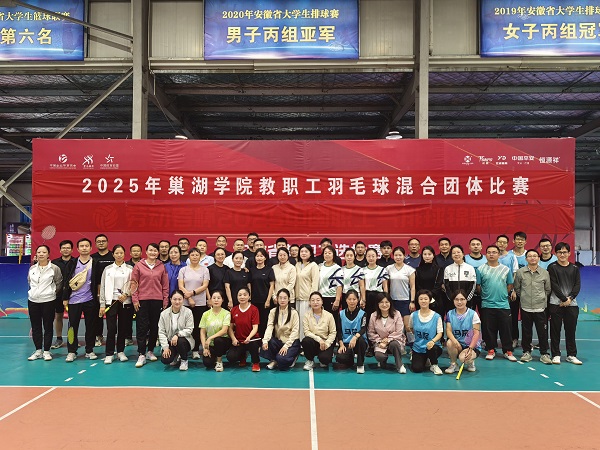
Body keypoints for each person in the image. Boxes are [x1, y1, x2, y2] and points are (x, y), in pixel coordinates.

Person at [131, 243, 169, 368]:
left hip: (157, 300)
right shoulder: (138, 266)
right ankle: (141, 353)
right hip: (142, 300)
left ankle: (150, 351)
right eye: (151, 250)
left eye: (155, 251)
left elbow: (165, 285)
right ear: (146, 252)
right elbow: (133, 283)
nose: (153, 252)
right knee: (142, 327)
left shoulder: (161, 266)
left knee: (154, 327)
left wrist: (165, 300)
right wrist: (135, 299)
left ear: (158, 253)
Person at [63, 238, 100, 362]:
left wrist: (99, 299)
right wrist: (65, 298)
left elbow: (98, 282)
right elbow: (66, 281)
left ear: (91, 248)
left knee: (91, 327)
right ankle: (71, 351)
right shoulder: (72, 263)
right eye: (82, 246)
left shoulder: (95, 263)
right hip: (74, 300)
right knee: (72, 327)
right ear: (78, 249)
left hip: (90, 300)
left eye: (86, 246)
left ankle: (89, 350)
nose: (84, 248)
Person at [477, 245, 516, 362]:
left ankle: (507, 351)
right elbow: (478, 286)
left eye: (494, 252)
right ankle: (491, 350)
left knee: (506, 329)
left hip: (503, 305)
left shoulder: (506, 269)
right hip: (487, 305)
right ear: (486, 255)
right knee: (489, 329)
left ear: (499, 254)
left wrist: (503, 295)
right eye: (489, 252)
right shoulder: (480, 269)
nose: (491, 254)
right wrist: (486, 295)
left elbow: (510, 284)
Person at [513, 249, 552, 364]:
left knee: (542, 332)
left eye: (535, 256)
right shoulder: (520, 272)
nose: (532, 258)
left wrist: (541, 298)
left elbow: (548, 289)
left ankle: (544, 353)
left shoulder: (545, 273)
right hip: (525, 307)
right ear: (526, 259)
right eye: (530, 256)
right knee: (526, 331)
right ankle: (526, 352)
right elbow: (517, 288)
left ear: (538, 258)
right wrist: (524, 297)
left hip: (540, 307)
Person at [548, 243, 582, 365]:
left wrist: (570, 299)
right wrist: (563, 299)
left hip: (572, 305)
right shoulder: (552, 267)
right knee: (555, 331)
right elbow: (553, 284)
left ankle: (571, 355)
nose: (562, 254)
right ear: (555, 253)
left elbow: (577, 285)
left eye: (564, 252)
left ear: (569, 253)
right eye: (559, 252)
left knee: (570, 331)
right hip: (555, 304)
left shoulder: (575, 268)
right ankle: (556, 354)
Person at [27, 245, 63, 361]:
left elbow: (59, 283)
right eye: (39, 252)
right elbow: (29, 282)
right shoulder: (32, 268)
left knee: (48, 326)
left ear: (48, 254)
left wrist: (50, 293)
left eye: (44, 252)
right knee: (36, 326)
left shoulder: (54, 268)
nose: (41, 254)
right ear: (36, 254)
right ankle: (38, 350)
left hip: (48, 301)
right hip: (33, 301)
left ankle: (46, 351)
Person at [99, 244, 134, 364]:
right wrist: (102, 304)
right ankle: (109, 353)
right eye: (117, 253)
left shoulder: (130, 269)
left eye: (121, 253)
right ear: (113, 254)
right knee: (111, 329)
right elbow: (103, 287)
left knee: (123, 328)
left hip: (125, 301)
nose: (119, 255)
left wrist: (127, 294)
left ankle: (120, 352)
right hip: (111, 302)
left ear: (124, 254)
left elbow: (133, 284)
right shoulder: (107, 269)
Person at [178, 248, 210, 359]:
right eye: (192, 255)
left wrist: (192, 293)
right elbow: (181, 286)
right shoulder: (183, 270)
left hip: (200, 303)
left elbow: (205, 286)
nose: (195, 257)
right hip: (185, 303)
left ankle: (195, 349)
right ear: (189, 257)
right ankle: (184, 350)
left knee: (197, 327)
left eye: (197, 255)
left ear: (200, 257)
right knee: (185, 327)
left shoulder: (205, 270)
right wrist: (189, 298)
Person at [261, 288, 301, 370]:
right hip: (279, 341)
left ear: (289, 299)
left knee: (282, 361)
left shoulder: (294, 313)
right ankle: (274, 359)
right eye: (280, 298)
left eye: (285, 298)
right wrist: (265, 341)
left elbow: (295, 331)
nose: (282, 300)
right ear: (277, 299)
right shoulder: (273, 311)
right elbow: (269, 327)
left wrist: (286, 346)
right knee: (266, 344)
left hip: (291, 342)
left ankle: (292, 356)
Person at [367, 293, 406, 374]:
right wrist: (380, 341)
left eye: (386, 302)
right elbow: (371, 332)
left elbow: (399, 331)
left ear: (390, 303)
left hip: (394, 340)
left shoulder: (397, 314)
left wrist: (388, 340)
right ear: (378, 304)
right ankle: (382, 361)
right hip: (380, 342)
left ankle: (400, 365)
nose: (384, 305)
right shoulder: (373, 315)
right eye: (381, 302)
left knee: (394, 344)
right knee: (379, 356)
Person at [383, 246, 416, 344]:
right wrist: (386, 298)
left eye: (400, 255)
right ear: (393, 256)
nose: (398, 257)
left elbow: (413, 286)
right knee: (394, 326)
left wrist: (412, 301)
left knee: (407, 326)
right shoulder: (388, 269)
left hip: (405, 300)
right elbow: (386, 285)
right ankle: (398, 344)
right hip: (392, 300)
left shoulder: (410, 270)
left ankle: (412, 346)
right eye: (396, 255)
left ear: (404, 256)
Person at [445, 290, 481, 374]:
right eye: (456, 299)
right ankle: (454, 364)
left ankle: (471, 362)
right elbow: (448, 330)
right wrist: (454, 341)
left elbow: (476, 334)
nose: (459, 302)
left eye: (462, 299)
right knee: (450, 343)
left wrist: (470, 348)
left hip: (471, 345)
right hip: (458, 344)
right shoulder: (450, 313)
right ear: (453, 301)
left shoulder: (473, 314)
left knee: (463, 358)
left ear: (466, 300)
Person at [407, 290, 443, 375]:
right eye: (421, 299)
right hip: (418, 348)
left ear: (430, 300)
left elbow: (440, 333)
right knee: (417, 369)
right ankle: (425, 359)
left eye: (426, 299)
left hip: (433, 347)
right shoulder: (413, 315)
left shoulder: (436, 316)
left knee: (432, 348)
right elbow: (411, 328)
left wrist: (432, 341)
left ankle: (434, 364)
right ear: (418, 300)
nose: (423, 301)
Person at [158, 290, 194, 371]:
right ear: (170, 299)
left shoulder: (188, 312)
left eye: (179, 299)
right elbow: (161, 332)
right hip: (170, 341)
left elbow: (189, 329)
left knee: (180, 341)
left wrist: (177, 335)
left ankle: (184, 360)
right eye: (175, 299)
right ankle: (176, 355)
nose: (177, 302)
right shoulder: (164, 314)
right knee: (165, 360)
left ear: (183, 300)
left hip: (184, 341)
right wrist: (165, 347)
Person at [227, 288, 261, 371]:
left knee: (254, 345)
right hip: (239, 340)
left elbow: (255, 327)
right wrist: (233, 339)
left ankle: (256, 363)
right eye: (240, 295)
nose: (242, 297)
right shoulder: (234, 310)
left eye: (245, 295)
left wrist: (249, 337)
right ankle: (242, 356)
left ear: (249, 296)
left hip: (251, 339)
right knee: (231, 357)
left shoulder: (254, 309)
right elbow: (230, 328)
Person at [335, 289, 368, 374]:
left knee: (361, 340)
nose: (352, 301)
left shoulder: (363, 314)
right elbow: (339, 330)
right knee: (340, 358)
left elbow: (363, 328)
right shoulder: (341, 314)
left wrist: (355, 337)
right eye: (349, 299)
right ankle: (350, 359)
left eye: (354, 299)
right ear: (346, 300)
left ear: (358, 300)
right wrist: (341, 344)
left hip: (358, 342)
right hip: (346, 343)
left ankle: (360, 364)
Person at [302, 292, 336, 370]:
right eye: (313, 300)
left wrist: (327, 343)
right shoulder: (306, 315)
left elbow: (333, 332)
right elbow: (306, 332)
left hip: (325, 342)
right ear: (310, 302)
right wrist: (319, 340)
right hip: (313, 341)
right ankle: (310, 360)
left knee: (325, 361)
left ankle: (324, 357)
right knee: (306, 341)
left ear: (322, 301)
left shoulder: (329, 315)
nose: (315, 302)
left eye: (318, 300)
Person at [91, 234, 114, 348]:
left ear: (107, 242)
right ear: (95, 244)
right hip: (96, 291)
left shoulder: (113, 256)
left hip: (112, 291)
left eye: (103, 241)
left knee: (112, 316)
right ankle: (98, 336)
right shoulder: (92, 258)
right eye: (98, 241)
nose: (101, 243)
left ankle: (113, 336)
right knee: (97, 315)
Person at [200, 291, 231, 372]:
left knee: (218, 340)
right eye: (214, 298)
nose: (216, 300)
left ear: (222, 300)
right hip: (210, 344)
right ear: (211, 300)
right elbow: (202, 332)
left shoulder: (226, 313)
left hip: (223, 342)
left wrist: (210, 338)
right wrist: (204, 348)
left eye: (218, 298)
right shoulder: (205, 314)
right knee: (207, 363)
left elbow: (224, 330)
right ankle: (213, 356)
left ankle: (219, 361)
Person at [50, 239, 73, 350]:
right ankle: (59, 338)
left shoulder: (76, 262)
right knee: (58, 315)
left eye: (68, 248)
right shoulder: (54, 263)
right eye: (63, 248)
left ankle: (72, 339)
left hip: (73, 294)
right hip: (58, 294)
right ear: (60, 250)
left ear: (72, 250)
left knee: (73, 317)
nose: (66, 250)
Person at [248, 248, 275, 337]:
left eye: (261, 256)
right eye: (257, 256)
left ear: (265, 258)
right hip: (254, 300)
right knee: (255, 322)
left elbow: (272, 285)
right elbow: (249, 284)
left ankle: (265, 340)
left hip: (265, 301)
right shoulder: (251, 270)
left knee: (265, 322)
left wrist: (268, 300)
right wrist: (249, 298)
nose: (259, 258)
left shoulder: (269, 270)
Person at [295, 244, 320, 339]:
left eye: (306, 251)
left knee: (306, 322)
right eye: (301, 251)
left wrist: (312, 299)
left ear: (310, 253)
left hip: (307, 299)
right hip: (297, 298)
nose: (303, 253)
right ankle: (298, 342)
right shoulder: (297, 265)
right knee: (298, 322)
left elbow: (315, 283)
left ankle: (306, 343)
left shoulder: (313, 265)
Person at [443, 245, 476, 312]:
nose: (456, 254)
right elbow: (446, 286)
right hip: (452, 302)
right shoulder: (448, 268)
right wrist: (452, 299)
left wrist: (466, 299)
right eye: (454, 253)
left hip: (467, 302)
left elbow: (473, 285)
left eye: (458, 252)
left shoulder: (470, 268)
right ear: (451, 255)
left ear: (463, 254)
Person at [414, 245, 444, 315]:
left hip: (436, 300)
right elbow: (418, 285)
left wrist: (429, 296)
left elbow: (438, 285)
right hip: (422, 300)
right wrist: (424, 297)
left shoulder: (439, 269)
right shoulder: (418, 270)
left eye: (429, 254)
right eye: (425, 254)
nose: (427, 256)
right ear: (422, 256)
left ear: (433, 255)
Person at [318, 245, 343, 313]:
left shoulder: (337, 268)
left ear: (333, 255)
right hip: (320, 298)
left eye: (329, 253)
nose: (327, 255)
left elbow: (339, 286)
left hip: (331, 297)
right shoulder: (320, 266)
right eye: (325, 253)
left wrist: (337, 300)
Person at [464, 238, 487, 312]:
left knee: (485, 315)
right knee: (469, 314)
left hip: (484, 292)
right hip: (469, 292)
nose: (476, 246)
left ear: (481, 247)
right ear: (469, 247)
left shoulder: (487, 259)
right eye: (473, 244)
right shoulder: (464, 258)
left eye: (478, 244)